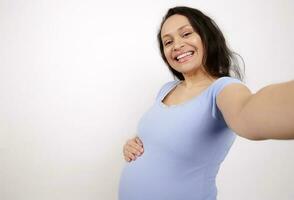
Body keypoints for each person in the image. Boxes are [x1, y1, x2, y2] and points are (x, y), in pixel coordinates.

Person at [118, 6, 294, 200]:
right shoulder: (166, 89)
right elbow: (162, 137)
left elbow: (247, 112)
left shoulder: (223, 89)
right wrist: (133, 145)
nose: (176, 45)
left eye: (186, 34)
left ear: (206, 37)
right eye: (168, 42)